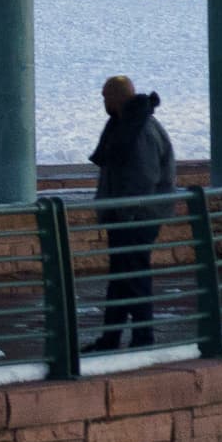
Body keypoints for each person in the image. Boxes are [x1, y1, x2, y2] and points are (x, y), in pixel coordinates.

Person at [89, 75, 176, 354]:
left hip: (136, 218)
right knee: (121, 278)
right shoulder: (126, 125)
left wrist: (124, 213)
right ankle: (111, 338)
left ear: (117, 98)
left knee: (134, 277)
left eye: (105, 97)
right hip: (126, 217)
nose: (103, 102)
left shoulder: (140, 130)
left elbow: (143, 179)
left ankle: (142, 340)